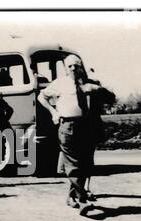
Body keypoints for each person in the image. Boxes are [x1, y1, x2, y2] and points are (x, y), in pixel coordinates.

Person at [38, 54, 111, 212]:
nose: (73, 69)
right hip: (68, 126)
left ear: (81, 67)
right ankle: (83, 200)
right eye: (69, 66)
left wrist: (98, 89)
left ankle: (71, 197)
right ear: (65, 68)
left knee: (85, 164)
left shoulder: (90, 84)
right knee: (73, 164)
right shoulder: (60, 83)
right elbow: (41, 97)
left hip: (87, 126)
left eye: (76, 65)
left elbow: (110, 98)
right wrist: (53, 112)